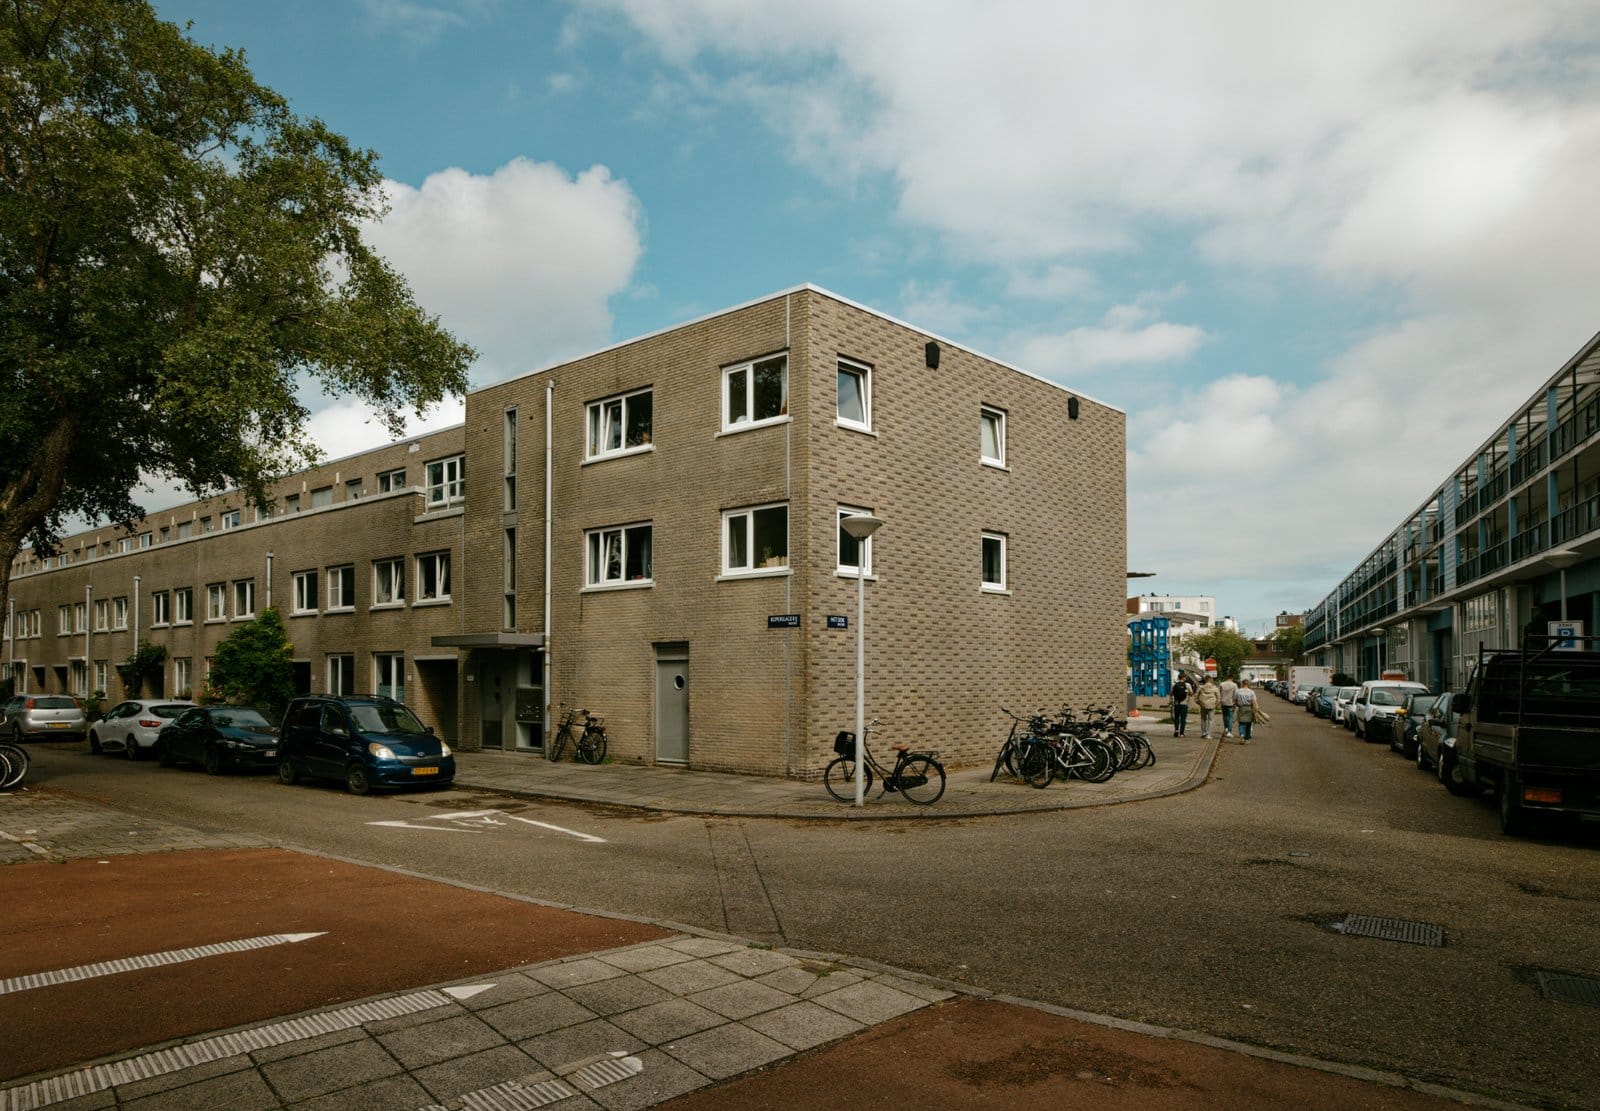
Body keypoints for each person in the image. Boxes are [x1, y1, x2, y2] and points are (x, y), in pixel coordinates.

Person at [1194, 674, 1222, 739]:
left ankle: (1203, 733)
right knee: (1211, 720)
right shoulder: (1215, 688)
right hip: (1212, 705)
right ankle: (1209, 734)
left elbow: (1196, 697)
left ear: (1205, 680)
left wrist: (1199, 703)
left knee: (1203, 719)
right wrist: (1216, 704)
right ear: (1210, 679)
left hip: (1203, 705)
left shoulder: (1201, 687)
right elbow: (1218, 698)